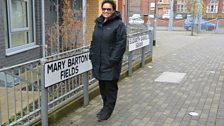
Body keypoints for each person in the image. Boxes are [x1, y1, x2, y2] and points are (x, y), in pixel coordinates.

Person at [89, 0, 127, 121]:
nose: (106, 11)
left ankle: (107, 111)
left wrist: (112, 60)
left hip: (110, 64)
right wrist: (92, 55)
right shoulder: (99, 23)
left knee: (110, 90)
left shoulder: (119, 24)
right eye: (104, 9)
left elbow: (121, 45)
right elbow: (94, 41)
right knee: (102, 88)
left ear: (113, 10)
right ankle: (105, 107)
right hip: (99, 63)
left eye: (108, 9)